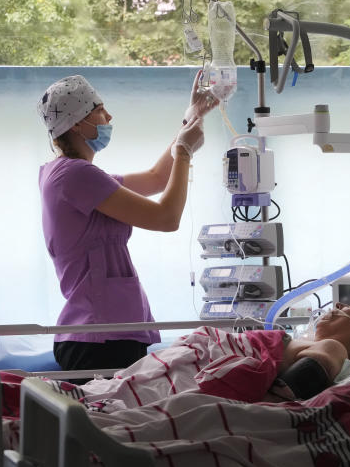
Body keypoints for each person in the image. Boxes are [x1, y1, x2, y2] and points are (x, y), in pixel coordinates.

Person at [36, 72, 218, 371]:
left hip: (107, 333)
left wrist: (192, 117)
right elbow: (166, 218)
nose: (109, 116)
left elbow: (156, 178)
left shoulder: (72, 174)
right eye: (99, 110)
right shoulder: (75, 175)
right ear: (77, 123)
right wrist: (184, 153)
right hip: (98, 338)